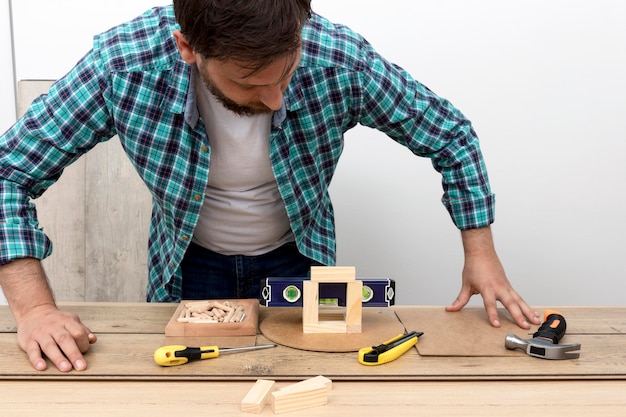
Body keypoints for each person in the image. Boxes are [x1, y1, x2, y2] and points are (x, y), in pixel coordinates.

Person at [0, 0, 540, 373]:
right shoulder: (123, 65)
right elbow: (9, 173)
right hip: (188, 268)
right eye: (251, 83)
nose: (277, 98)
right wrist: (33, 310)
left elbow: (449, 133)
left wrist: (481, 252)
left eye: (285, 74)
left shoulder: (337, 57)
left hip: (299, 262)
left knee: (310, 390)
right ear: (188, 48)